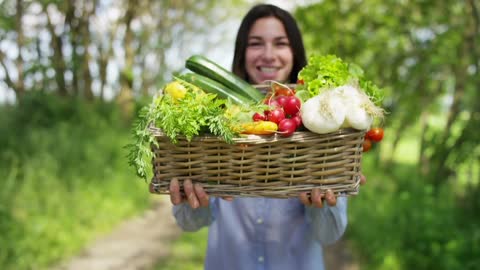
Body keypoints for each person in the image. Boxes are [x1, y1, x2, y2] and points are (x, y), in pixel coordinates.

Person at [167, 4, 366, 270]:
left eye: (280, 43)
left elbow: (329, 235)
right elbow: (190, 224)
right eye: (256, 43)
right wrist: (192, 201)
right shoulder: (217, 121)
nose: (269, 55)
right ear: (242, 52)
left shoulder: (319, 121)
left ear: (294, 52)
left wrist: (322, 205)